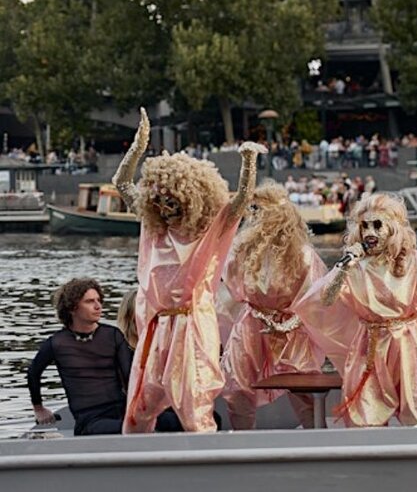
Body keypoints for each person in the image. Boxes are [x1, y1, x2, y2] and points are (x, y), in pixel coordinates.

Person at [112, 108, 265, 433]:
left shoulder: (208, 230)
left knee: (195, 407)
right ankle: (134, 470)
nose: (166, 210)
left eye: (173, 203)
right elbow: (122, 183)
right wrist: (138, 147)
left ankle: (210, 474)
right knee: (139, 408)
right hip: (158, 326)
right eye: (160, 202)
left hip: (194, 324)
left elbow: (240, 202)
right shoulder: (154, 227)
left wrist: (249, 160)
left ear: (190, 200)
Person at [297, 193, 417, 427]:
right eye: (365, 226)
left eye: (377, 225)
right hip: (368, 348)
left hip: (407, 345)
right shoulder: (355, 267)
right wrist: (344, 266)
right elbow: (327, 298)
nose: (370, 233)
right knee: (365, 418)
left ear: (392, 228)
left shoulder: (413, 260)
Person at [220, 182, 328, 430]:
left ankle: (316, 440)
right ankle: (242, 443)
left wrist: (288, 324)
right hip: (251, 324)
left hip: (292, 329)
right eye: (255, 213)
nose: (258, 220)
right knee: (237, 384)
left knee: (301, 386)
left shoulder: (303, 254)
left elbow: (313, 300)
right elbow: (229, 287)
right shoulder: (242, 250)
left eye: (262, 213)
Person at [27, 279, 180, 436]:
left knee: (177, 420)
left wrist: (154, 409)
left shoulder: (113, 335)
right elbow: (33, 374)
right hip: (91, 420)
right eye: (89, 301)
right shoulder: (57, 343)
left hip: (123, 411)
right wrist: (39, 409)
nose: (98, 306)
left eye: (99, 300)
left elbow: (131, 378)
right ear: (72, 307)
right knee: (131, 430)